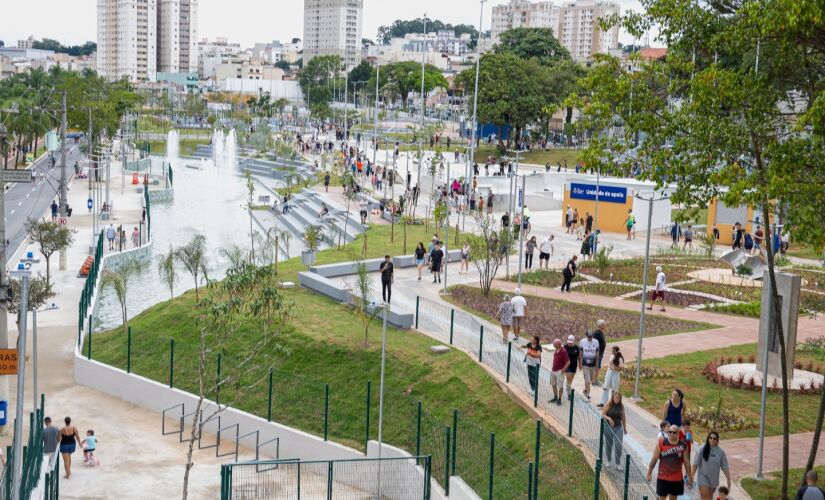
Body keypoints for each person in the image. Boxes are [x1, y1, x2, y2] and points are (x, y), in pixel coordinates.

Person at [648, 424, 693, 499]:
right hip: (662, 478)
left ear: (678, 433)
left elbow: (687, 462)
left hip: (676, 479)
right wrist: (649, 473)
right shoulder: (660, 444)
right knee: (660, 498)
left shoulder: (683, 446)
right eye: (670, 432)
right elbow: (654, 459)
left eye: (674, 432)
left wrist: (690, 477)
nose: (671, 434)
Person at [692, 431, 731, 500]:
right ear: (708, 439)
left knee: (709, 497)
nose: (712, 440)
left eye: (714, 438)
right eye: (710, 438)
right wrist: (691, 475)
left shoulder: (721, 452)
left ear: (717, 440)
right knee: (705, 497)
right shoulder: (702, 449)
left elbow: (725, 466)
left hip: (713, 480)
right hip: (703, 478)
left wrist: (728, 479)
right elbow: (695, 463)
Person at [601, 392, 628, 469]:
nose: (616, 399)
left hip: (618, 428)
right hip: (608, 427)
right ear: (613, 398)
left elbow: (623, 417)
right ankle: (609, 460)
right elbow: (603, 414)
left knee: (619, 445)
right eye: (615, 397)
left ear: (620, 399)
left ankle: (617, 463)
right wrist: (609, 418)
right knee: (609, 444)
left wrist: (625, 428)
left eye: (618, 398)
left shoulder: (621, 406)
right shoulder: (608, 405)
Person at [579, 330, 599, 400]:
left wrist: (597, 365)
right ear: (586, 336)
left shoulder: (596, 342)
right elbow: (580, 353)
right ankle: (588, 395)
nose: (590, 338)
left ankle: (585, 390)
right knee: (587, 381)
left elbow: (597, 354)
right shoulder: (582, 342)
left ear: (592, 336)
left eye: (591, 337)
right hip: (585, 365)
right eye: (588, 337)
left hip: (593, 365)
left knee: (590, 380)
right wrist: (580, 364)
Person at [550, 338, 569, 404]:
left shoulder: (563, 351)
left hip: (559, 371)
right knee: (553, 384)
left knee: (560, 386)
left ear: (559, 344)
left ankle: (559, 399)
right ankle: (555, 397)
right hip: (553, 370)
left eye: (554, 344)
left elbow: (568, 362)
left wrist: (562, 370)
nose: (553, 345)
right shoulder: (556, 349)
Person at [592, 319, 607, 384]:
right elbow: (594, 343)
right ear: (600, 325)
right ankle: (594, 380)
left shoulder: (601, 332)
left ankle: (595, 379)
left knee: (598, 366)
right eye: (604, 324)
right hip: (598, 353)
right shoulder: (596, 333)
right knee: (597, 366)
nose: (605, 326)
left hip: (600, 352)